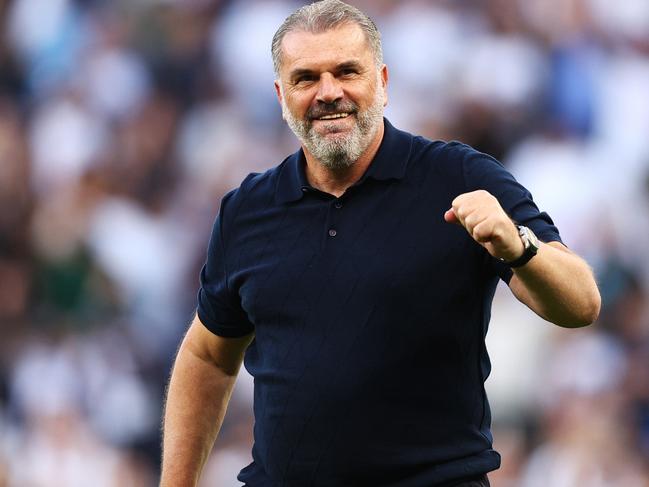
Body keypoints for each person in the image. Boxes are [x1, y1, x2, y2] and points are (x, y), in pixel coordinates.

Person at [160, 1, 601, 486]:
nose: (329, 92)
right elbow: (207, 355)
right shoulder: (248, 210)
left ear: (383, 82)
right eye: (306, 78)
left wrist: (518, 246)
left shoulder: (457, 176)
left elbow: (580, 302)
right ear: (281, 95)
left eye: (347, 71)